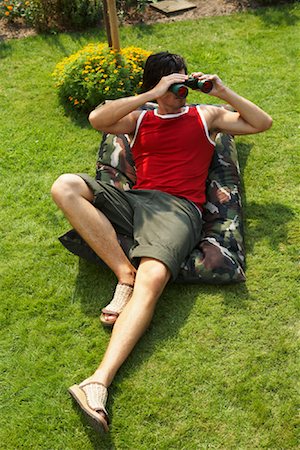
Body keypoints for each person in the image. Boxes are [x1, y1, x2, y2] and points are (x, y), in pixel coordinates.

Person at [51, 52, 272, 432]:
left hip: (178, 211)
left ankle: (97, 381)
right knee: (65, 185)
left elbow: (262, 122)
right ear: (156, 85)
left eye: (183, 81)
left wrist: (222, 91)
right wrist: (151, 95)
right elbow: (96, 119)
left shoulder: (206, 116)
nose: (181, 90)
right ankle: (124, 273)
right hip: (137, 200)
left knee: (152, 281)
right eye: (174, 84)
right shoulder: (140, 118)